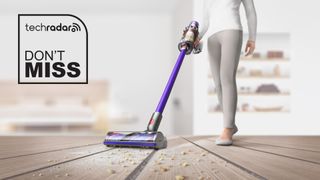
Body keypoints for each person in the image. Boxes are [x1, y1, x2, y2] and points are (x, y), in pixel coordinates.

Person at [196, 0, 257, 145]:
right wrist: (197, 37)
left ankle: (227, 128)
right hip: (212, 36)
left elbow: (250, 11)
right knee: (217, 83)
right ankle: (230, 123)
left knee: (227, 78)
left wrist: (252, 38)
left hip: (231, 30)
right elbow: (205, 20)